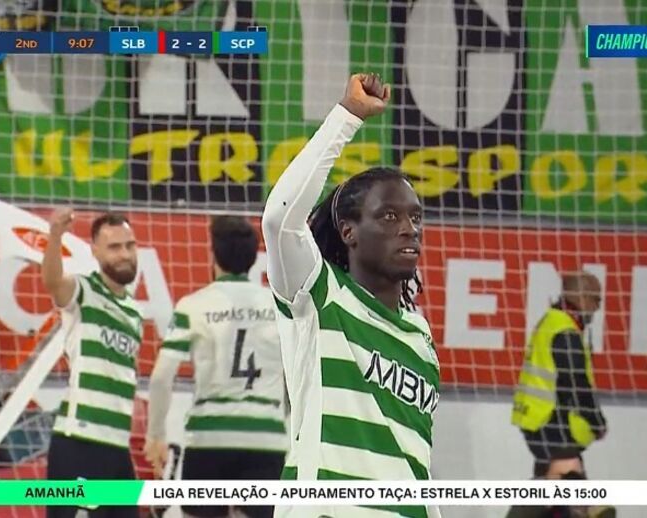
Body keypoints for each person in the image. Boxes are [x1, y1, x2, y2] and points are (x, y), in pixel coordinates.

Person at [261, 73, 441, 518]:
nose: (409, 228)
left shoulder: (420, 336)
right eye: (389, 216)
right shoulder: (319, 296)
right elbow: (279, 221)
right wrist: (348, 116)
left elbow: (414, 461)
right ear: (348, 232)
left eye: (415, 218)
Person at [144, 215, 287, 518]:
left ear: (214, 255)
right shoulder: (278, 308)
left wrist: (155, 435)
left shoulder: (193, 306)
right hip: (266, 438)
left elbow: (160, 378)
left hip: (209, 438)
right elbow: (297, 378)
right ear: (254, 258)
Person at [41, 209, 143, 518]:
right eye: (114, 247)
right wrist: (55, 235)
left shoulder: (134, 312)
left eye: (129, 245)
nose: (124, 254)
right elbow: (53, 281)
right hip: (80, 441)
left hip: (117, 446)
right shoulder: (84, 291)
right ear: (95, 251)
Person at [511, 271, 606, 478]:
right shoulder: (565, 331)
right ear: (581, 297)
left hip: (536, 420)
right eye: (596, 299)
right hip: (552, 423)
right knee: (570, 485)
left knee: (547, 481)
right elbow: (576, 382)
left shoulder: (550, 321)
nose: (598, 307)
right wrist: (596, 422)